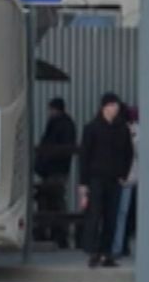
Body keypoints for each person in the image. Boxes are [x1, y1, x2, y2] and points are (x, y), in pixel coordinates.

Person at [78, 92, 135, 269]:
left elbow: (129, 153)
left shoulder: (122, 129)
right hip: (96, 178)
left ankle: (106, 253)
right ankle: (93, 252)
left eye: (116, 105)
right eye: (112, 105)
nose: (115, 108)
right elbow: (84, 156)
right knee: (94, 215)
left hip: (114, 179)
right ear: (104, 107)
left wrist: (123, 175)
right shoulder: (92, 128)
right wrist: (83, 183)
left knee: (111, 217)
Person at [35, 97, 79, 248]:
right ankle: (56, 233)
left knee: (53, 200)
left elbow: (54, 147)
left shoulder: (58, 124)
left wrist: (43, 162)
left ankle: (55, 234)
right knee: (52, 200)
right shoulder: (65, 124)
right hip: (55, 169)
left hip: (54, 169)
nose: (49, 112)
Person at [111, 105, 139, 260]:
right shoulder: (135, 130)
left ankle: (117, 246)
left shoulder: (129, 131)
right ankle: (119, 245)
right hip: (130, 177)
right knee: (123, 213)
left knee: (120, 213)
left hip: (125, 177)